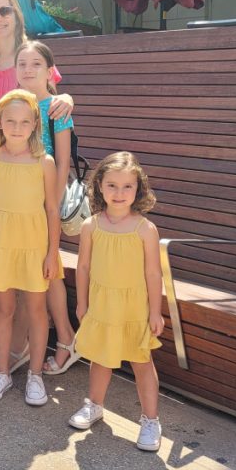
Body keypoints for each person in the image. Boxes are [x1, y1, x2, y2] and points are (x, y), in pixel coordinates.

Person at [0, 0, 72, 361]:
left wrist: (67, 99)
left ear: (16, 14)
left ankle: (23, 341)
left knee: (30, 265)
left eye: (5, 10)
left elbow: (52, 100)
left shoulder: (29, 55)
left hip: (33, 178)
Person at [0, 90, 59, 406]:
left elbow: (51, 210)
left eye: (24, 122)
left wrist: (52, 253)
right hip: (0, 244)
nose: (17, 128)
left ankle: (36, 375)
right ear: (0, 122)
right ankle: (2, 372)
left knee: (36, 310)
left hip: (35, 245)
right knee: (3, 309)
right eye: (11, 121)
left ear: (35, 124)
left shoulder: (44, 162)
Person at [69, 152, 164, 452]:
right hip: (102, 305)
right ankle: (95, 405)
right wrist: (82, 303)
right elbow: (83, 267)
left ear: (138, 189)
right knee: (100, 358)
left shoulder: (145, 229)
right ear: (99, 186)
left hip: (134, 308)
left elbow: (153, 273)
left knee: (141, 362)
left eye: (127, 186)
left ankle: (151, 420)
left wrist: (156, 312)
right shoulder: (91, 226)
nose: (119, 193)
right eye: (112, 185)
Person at [14, 41, 82, 376]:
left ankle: (66, 338)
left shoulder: (56, 108)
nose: (28, 70)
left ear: (49, 71)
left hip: (43, 206)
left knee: (48, 270)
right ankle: (28, 341)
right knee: (31, 272)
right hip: (18, 204)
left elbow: (64, 162)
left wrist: (50, 208)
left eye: (36, 64)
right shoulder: (12, 105)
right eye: (22, 64)